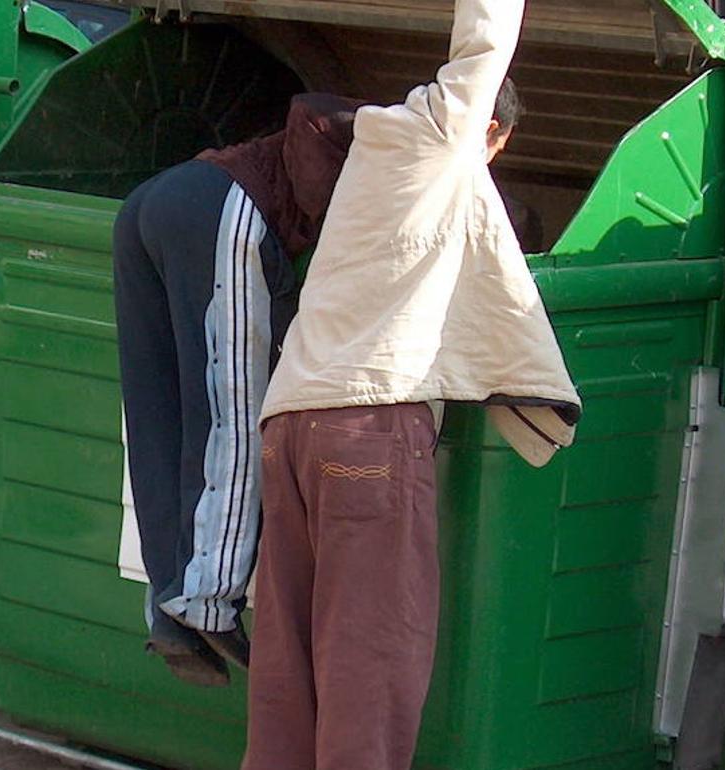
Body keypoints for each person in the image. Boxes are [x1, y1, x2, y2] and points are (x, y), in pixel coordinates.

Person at [241, 2, 582, 769]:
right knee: (370, 663)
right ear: (493, 134)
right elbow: (484, 46)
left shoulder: (369, 154)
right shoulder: (445, 139)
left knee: (286, 672)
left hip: (290, 423)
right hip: (369, 427)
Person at [113, 92, 363, 687]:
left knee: (158, 424)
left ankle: (170, 613)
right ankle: (206, 603)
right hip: (223, 210)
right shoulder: (396, 125)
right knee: (234, 415)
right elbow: (309, 110)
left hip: (155, 204)